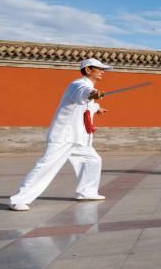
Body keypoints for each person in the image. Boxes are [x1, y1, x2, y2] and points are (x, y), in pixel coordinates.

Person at [9, 58, 111, 211]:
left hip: (79, 137)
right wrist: (92, 94)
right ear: (88, 70)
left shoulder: (87, 88)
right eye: (99, 68)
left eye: (104, 69)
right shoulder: (78, 85)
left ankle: (87, 192)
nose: (103, 71)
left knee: (93, 160)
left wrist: (97, 107)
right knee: (46, 166)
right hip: (64, 136)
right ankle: (18, 200)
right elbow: (83, 94)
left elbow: (86, 104)